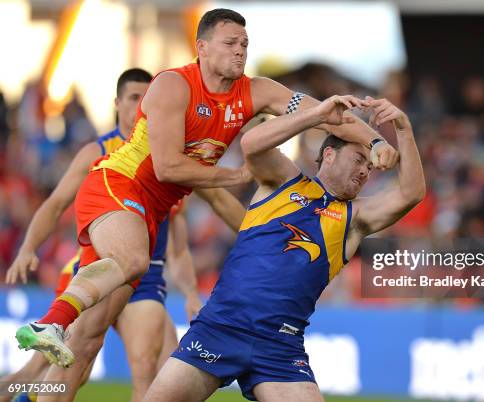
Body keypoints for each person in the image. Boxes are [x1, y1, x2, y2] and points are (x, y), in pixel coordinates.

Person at [16, 8, 398, 369]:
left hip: (152, 211)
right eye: (230, 43)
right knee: (134, 265)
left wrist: (375, 143)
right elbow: (167, 168)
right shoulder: (173, 84)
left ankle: (30, 369)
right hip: (118, 185)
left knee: (85, 345)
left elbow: (329, 112)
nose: (240, 51)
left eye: (245, 44)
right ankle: (51, 325)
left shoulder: (255, 91)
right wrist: (231, 177)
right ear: (202, 47)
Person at [143, 94, 425, 402]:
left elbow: (412, 193)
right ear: (329, 154)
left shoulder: (355, 218)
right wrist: (317, 114)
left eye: (369, 168)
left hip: (280, 347)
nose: (363, 171)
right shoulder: (284, 180)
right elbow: (252, 144)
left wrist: (404, 127)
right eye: (359, 160)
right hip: (221, 327)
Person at [3, 68, 246, 402]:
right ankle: (24, 395)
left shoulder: (175, 160)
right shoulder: (99, 153)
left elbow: (185, 238)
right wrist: (28, 246)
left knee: (150, 367)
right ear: (117, 103)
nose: (142, 107)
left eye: (149, 99)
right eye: (135, 98)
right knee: (55, 369)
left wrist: (192, 290)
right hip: (97, 271)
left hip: (146, 279)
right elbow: (57, 202)